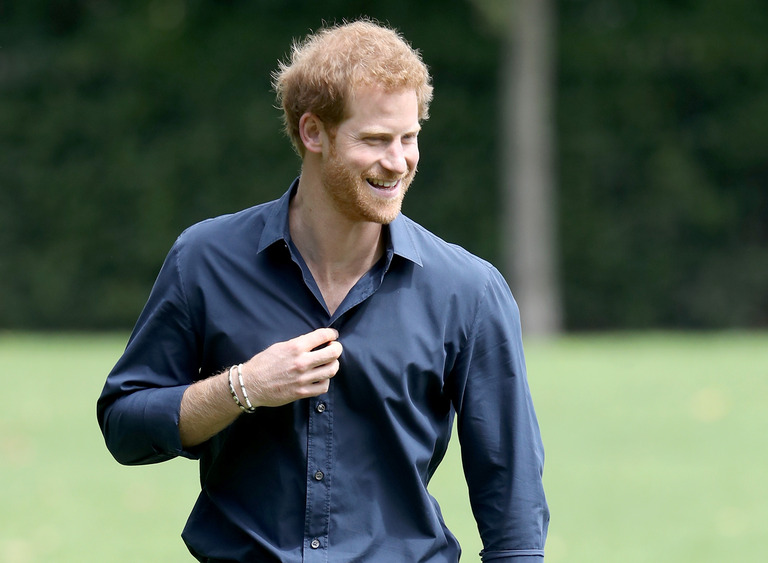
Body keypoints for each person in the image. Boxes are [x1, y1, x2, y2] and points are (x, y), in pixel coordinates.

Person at [97, 19, 549, 563]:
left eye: (409, 139)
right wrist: (243, 387)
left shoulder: (469, 291)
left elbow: (513, 499)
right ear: (314, 132)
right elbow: (125, 425)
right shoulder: (204, 261)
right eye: (376, 140)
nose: (399, 161)